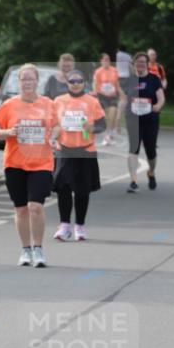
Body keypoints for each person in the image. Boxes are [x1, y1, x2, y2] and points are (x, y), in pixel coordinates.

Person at [0, 63, 58, 268]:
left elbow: (56, 127)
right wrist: (9, 132)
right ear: (18, 82)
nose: (27, 82)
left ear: (37, 81)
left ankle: (38, 249)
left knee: (35, 207)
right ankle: (25, 249)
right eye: (24, 79)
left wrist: (54, 138)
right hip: (15, 163)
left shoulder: (48, 104)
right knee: (21, 210)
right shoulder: (8, 105)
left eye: (31, 79)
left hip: (41, 163)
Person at [52, 70, 106, 240]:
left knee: (82, 191)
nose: (75, 84)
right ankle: (64, 225)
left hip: (85, 149)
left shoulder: (92, 101)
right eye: (72, 81)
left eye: (79, 81)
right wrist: (52, 137)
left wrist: (91, 128)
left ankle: (80, 226)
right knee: (63, 188)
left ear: (84, 83)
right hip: (64, 149)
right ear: (67, 83)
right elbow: (53, 124)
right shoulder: (59, 101)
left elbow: (102, 125)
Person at [125, 51, 165, 193]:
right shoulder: (129, 80)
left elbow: (161, 98)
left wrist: (158, 106)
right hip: (133, 120)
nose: (140, 64)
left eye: (143, 62)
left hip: (150, 120)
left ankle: (151, 172)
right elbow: (123, 99)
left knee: (151, 151)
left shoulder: (154, 79)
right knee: (133, 149)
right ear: (134, 64)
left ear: (147, 64)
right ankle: (133, 180)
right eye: (138, 62)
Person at [92, 53, 124, 144]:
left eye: (108, 59)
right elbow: (94, 83)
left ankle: (108, 135)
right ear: (101, 61)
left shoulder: (114, 70)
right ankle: (108, 135)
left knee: (112, 115)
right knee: (106, 117)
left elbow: (117, 84)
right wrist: (95, 92)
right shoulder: (98, 71)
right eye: (105, 59)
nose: (107, 61)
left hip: (112, 96)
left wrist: (121, 93)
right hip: (102, 95)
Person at [115, 43, 133, 132]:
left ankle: (118, 118)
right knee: (124, 99)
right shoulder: (128, 56)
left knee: (120, 99)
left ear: (119, 49)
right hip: (126, 77)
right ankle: (118, 118)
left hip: (117, 77)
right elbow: (131, 67)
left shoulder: (116, 55)